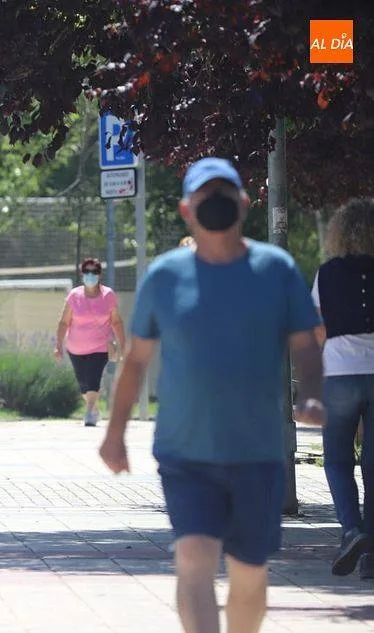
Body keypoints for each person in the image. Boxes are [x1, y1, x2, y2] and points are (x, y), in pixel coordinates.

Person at [99, 157, 326, 633]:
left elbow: (307, 342)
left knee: (249, 573)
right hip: (186, 451)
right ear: (186, 209)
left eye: (226, 194)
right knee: (194, 559)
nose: (217, 203)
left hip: (258, 452)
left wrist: (312, 395)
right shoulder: (164, 276)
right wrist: (114, 433)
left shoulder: (276, 270)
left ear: (245, 204)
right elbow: (136, 359)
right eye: (206, 196)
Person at [310, 198, 374, 579]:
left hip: (340, 373)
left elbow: (316, 324)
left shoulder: (327, 273)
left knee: (336, 459)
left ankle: (351, 529)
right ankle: (371, 554)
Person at [54, 257, 126, 426]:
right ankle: (93, 408)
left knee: (93, 378)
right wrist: (58, 345)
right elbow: (64, 322)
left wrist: (123, 344)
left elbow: (116, 321)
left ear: (99, 274)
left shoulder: (108, 295)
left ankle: (89, 414)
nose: (90, 275)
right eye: (87, 272)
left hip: (100, 347)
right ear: (82, 274)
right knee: (83, 384)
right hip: (75, 347)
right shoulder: (74, 295)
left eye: (94, 272)